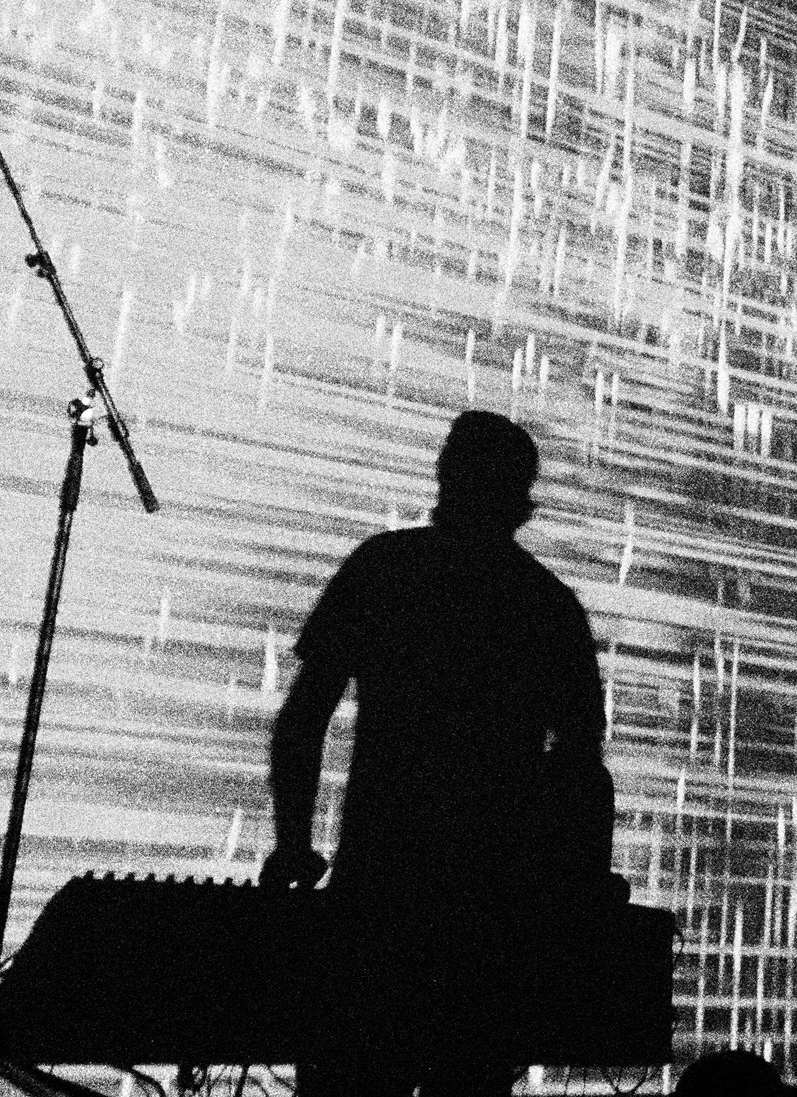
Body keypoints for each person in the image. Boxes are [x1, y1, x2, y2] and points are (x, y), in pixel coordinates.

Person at [262, 411, 615, 1097]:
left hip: (377, 891)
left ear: (446, 477)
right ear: (521, 500)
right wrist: (565, 895)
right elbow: (581, 770)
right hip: (490, 919)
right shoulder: (548, 606)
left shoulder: (384, 568)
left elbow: (303, 720)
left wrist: (294, 845)